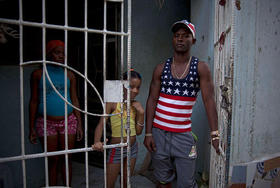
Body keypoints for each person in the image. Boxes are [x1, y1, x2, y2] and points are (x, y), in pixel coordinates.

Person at [144, 20, 220, 188]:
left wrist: (215, 133)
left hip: (183, 136)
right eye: (177, 36)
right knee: (163, 180)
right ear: (173, 39)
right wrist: (148, 133)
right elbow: (152, 100)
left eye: (186, 36)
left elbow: (209, 100)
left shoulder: (200, 68)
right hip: (159, 134)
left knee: (186, 183)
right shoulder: (161, 68)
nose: (180, 39)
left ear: (193, 41)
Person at [29, 40, 83, 186]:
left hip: (69, 120)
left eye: (63, 53)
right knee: (53, 160)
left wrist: (79, 124)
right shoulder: (38, 74)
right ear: (49, 54)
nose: (61, 56)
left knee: (67, 158)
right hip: (46, 122)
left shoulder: (70, 75)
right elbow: (34, 101)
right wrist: (31, 127)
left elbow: (75, 99)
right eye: (57, 52)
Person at [92, 70, 144, 188]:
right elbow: (101, 124)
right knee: (109, 184)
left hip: (132, 148)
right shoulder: (113, 103)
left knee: (126, 182)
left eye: (138, 87)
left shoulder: (136, 105)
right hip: (116, 149)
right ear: (122, 85)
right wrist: (96, 141)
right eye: (131, 86)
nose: (135, 91)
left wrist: (141, 113)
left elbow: (139, 132)